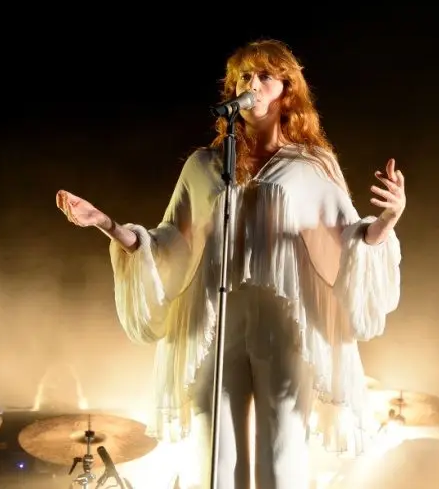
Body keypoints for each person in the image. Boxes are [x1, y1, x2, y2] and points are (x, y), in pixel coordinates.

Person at [56, 39, 405, 489]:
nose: (251, 85)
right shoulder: (204, 166)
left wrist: (389, 218)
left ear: (287, 91)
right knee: (214, 457)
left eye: (264, 76)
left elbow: (350, 238)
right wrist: (106, 223)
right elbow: (167, 243)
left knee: (280, 454)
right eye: (243, 77)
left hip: (283, 324)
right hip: (213, 324)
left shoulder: (312, 166)